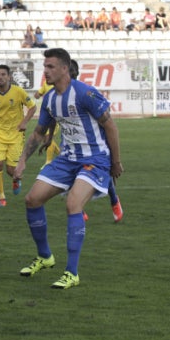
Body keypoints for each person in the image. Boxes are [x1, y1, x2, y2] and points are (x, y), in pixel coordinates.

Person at [13, 48, 123, 289]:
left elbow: (111, 127)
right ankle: (45, 257)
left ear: (65, 68)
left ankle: (71, 273)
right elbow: (39, 133)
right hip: (67, 159)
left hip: (94, 159)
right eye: (45, 67)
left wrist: (115, 161)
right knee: (32, 199)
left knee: (73, 204)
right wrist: (22, 162)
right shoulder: (50, 99)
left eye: (50, 67)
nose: (46, 72)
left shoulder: (85, 93)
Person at [37, 59, 123, 223]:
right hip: (70, 142)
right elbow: (54, 115)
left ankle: (114, 200)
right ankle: (78, 207)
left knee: (106, 171)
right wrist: (49, 137)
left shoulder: (85, 93)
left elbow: (106, 117)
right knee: (72, 171)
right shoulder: (55, 95)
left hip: (94, 142)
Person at [0, 64, 36, 207]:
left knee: (12, 171)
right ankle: (1, 198)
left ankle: (16, 180)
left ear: (9, 77)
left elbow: (32, 107)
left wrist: (24, 122)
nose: (0, 77)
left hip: (16, 135)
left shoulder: (18, 92)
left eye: (3, 74)